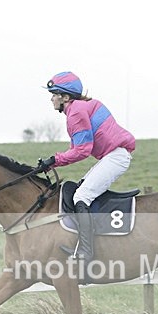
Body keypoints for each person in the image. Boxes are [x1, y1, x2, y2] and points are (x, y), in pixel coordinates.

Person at [37, 71, 136, 261]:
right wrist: (52, 162)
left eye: (54, 94)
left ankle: (86, 252)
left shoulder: (75, 112)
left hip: (115, 156)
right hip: (112, 155)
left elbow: (82, 150)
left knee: (81, 196)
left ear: (65, 97)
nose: (51, 99)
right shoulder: (79, 108)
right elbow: (77, 148)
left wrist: (54, 160)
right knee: (82, 189)